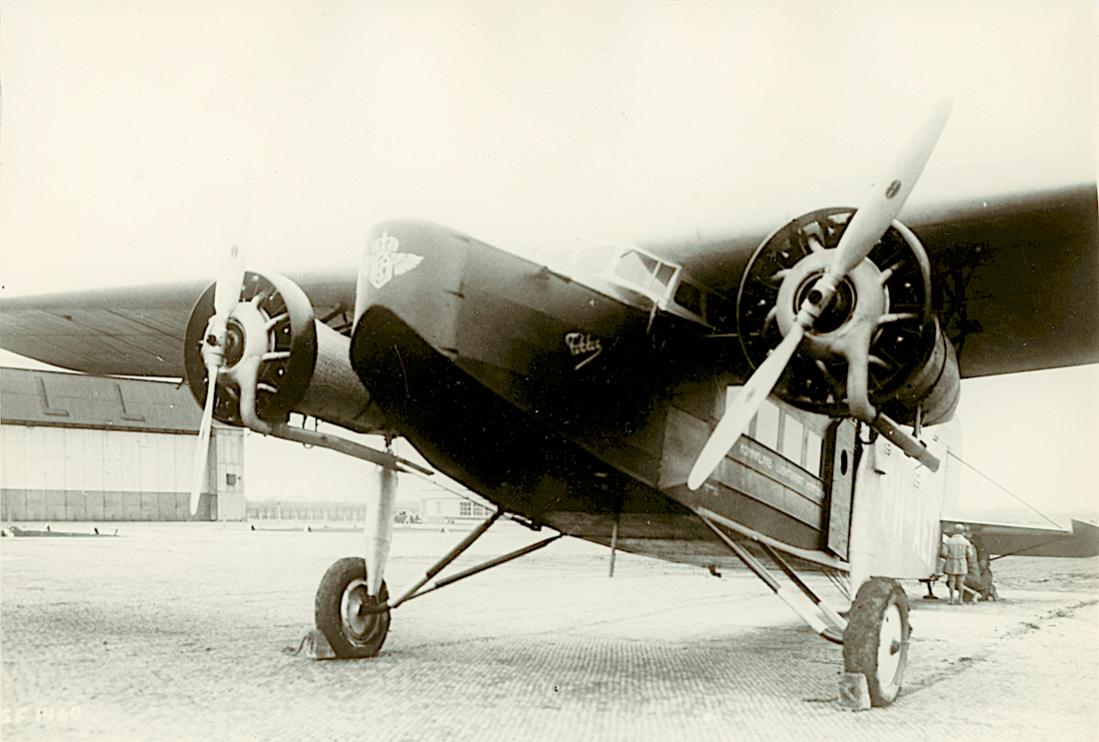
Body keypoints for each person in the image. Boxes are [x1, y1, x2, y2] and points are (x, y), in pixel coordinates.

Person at [940, 523, 972, 605]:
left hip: (951, 562)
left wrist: (949, 556)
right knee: (961, 582)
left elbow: (943, 553)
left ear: (954, 531)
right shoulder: (966, 542)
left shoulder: (949, 541)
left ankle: (951, 599)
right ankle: (960, 600)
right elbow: (970, 554)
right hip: (962, 562)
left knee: (951, 581)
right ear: (962, 532)